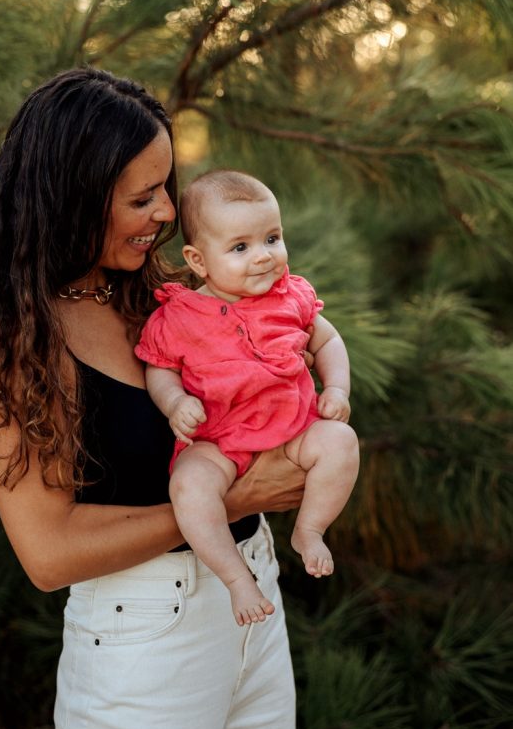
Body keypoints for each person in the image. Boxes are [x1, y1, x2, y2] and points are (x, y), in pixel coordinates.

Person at [0, 68, 307, 729]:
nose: (166, 211)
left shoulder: (161, 298)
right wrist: (231, 501)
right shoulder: (16, 344)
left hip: (252, 598)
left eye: (165, 186)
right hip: (147, 637)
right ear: (72, 200)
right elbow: (48, 554)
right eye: (141, 197)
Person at [135, 170, 360, 627]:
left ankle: (310, 529)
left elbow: (328, 342)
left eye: (272, 238)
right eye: (240, 248)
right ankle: (237, 579)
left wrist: (336, 389)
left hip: (294, 430)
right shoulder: (178, 316)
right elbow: (159, 368)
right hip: (219, 443)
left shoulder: (291, 296)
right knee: (190, 486)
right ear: (198, 260)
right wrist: (176, 404)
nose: (263, 257)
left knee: (340, 441)